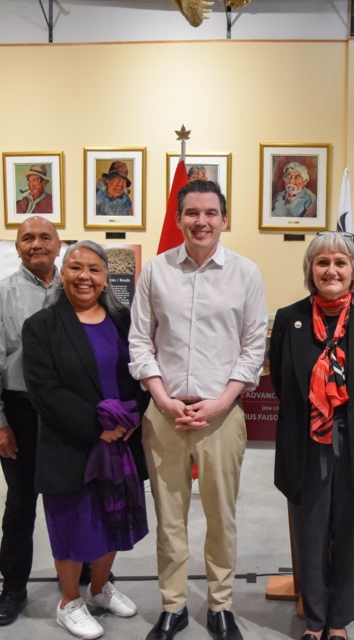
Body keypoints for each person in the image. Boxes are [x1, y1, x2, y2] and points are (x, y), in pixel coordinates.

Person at [129, 180, 267, 640]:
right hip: (164, 415)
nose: (201, 222)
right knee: (170, 517)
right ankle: (173, 605)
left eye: (211, 213)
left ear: (224, 219)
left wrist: (223, 400)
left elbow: (253, 346)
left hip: (222, 416)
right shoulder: (155, 271)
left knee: (220, 515)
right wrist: (163, 400)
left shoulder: (245, 273)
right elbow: (140, 341)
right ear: (179, 218)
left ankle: (220, 604)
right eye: (192, 213)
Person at [270, 232, 354, 640]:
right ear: (310, 270)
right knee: (309, 530)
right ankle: (314, 620)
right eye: (322, 262)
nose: (331, 270)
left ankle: (338, 620)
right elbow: (280, 381)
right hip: (305, 440)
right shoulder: (288, 317)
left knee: (351, 530)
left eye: (340, 263)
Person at [22, 240, 149, 640]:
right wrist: (98, 426)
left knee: (112, 518)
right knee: (72, 524)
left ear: (106, 277)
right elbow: (44, 390)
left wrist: (131, 415)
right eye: (76, 268)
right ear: (62, 274)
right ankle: (69, 601)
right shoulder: (41, 326)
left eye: (94, 270)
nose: (84, 277)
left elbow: (145, 369)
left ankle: (98, 589)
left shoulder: (124, 320)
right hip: (71, 442)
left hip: (121, 440)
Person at [0, 216, 61, 626]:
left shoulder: (77, 287)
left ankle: (84, 576)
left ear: (60, 244)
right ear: (18, 247)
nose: (37, 244)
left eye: (45, 237)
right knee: (21, 505)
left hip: (69, 412)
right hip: (21, 412)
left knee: (75, 499)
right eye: (28, 238)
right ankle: (13, 587)